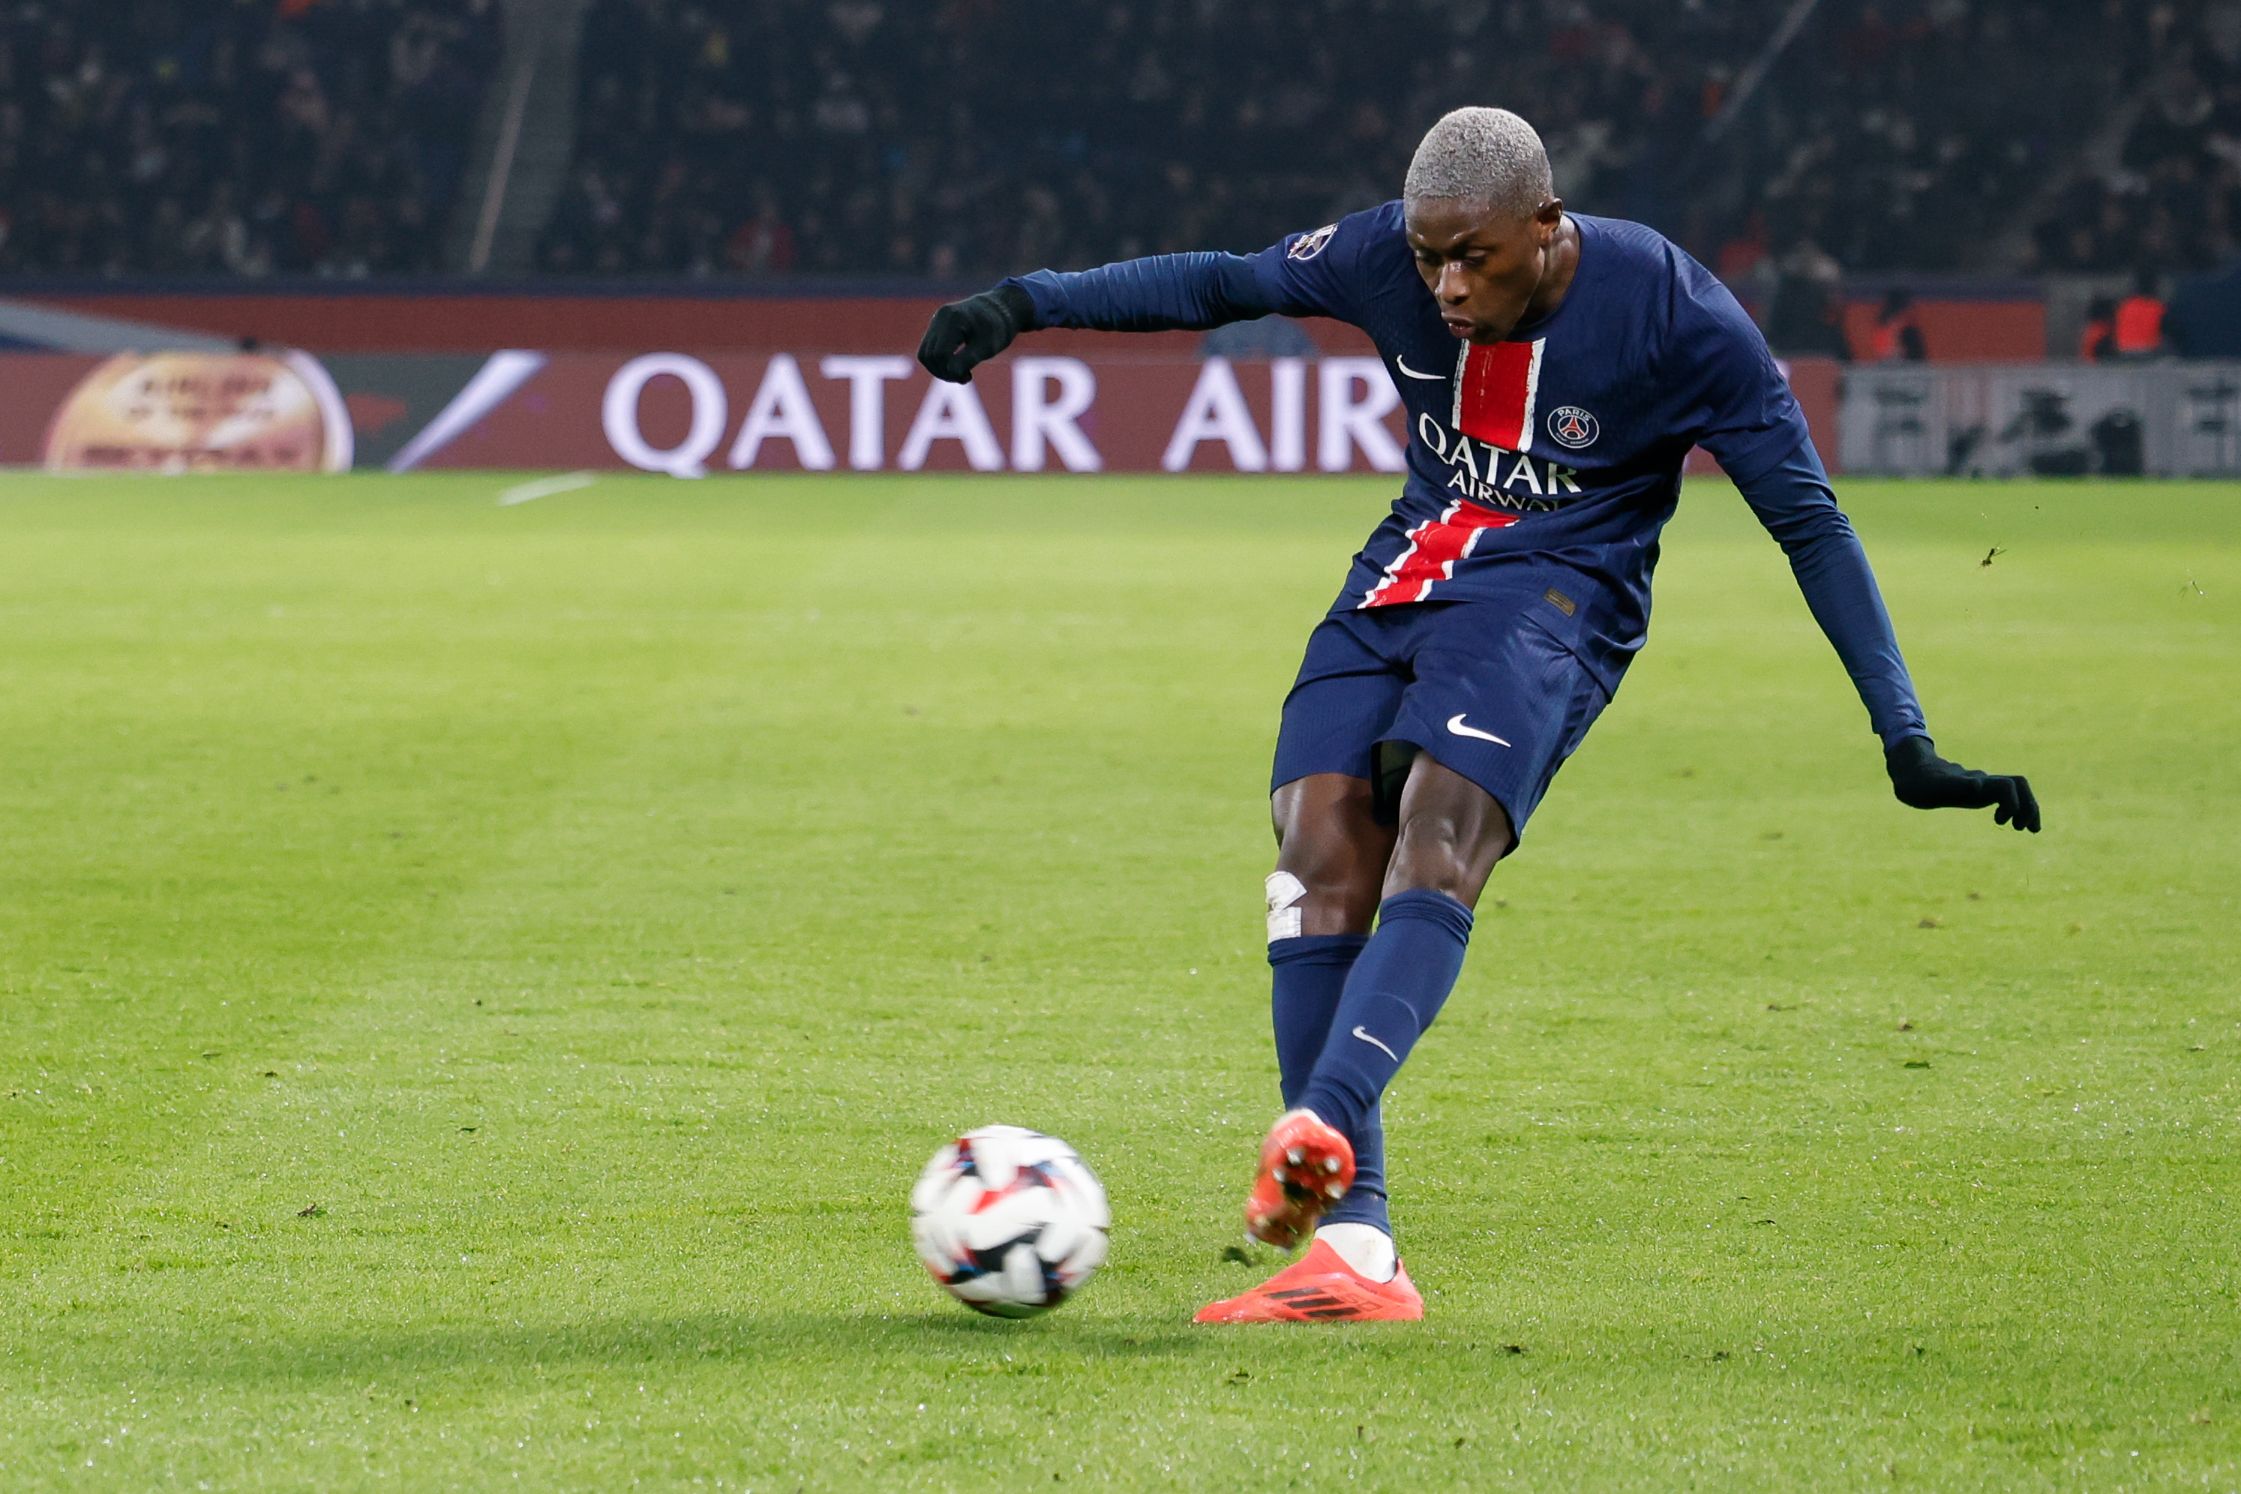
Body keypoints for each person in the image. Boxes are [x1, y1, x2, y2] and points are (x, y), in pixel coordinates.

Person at [916, 108, 2040, 1325]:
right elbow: (1220, 281)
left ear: (1547, 227)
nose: (1446, 286)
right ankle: (1355, 1253)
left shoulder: (1676, 313)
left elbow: (1808, 519)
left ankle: (1321, 1122)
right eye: (1426, 259)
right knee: (1314, 843)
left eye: (1474, 259)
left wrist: (1901, 730)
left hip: (1556, 595)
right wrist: (1021, 302)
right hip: (1408, 570)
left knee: (1437, 829)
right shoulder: (1384, 257)